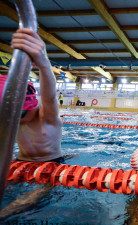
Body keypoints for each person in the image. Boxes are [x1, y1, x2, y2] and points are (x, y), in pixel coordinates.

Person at [0, 28, 63, 219]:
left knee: (28, 200)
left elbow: (50, 96)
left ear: (30, 104)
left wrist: (43, 63)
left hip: (51, 165)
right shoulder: (10, 119)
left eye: (19, 113)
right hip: (20, 163)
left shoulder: (47, 117)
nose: (15, 120)